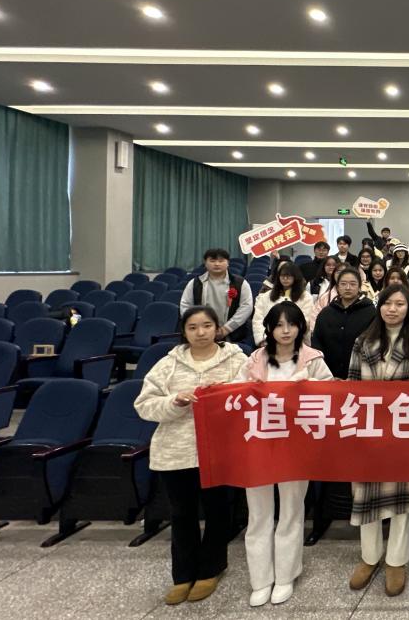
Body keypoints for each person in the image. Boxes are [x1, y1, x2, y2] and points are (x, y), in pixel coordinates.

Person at [134, 306, 248, 605]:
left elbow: (250, 397)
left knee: (218, 512)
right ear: (184, 332)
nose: (201, 332)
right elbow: (144, 405)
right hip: (176, 451)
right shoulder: (168, 364)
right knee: (182, 514)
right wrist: (175, 402)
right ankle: (183, 574)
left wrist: (223, 394)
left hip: (220, 451)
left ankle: (211, 569)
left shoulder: (237, 360)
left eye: (207, 326)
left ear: (217, 328)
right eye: (193, 327)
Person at [237, 302, 333, 607]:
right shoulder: (255, 359)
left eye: (291, 324)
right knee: (258, 513)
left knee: (291, 511)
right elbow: (234, 397)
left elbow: (331, 395)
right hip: (258, 444)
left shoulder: (313, 359)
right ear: (269, 328)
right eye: (278, 325)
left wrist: (308, 386)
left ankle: (286, 575)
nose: (286, 330)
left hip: (295, 446)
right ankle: (260, 579)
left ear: (301, 327)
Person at [347, 285, 409, 598]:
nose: (393, 309)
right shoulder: (363, 341)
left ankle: (396, 561)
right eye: (388, 303)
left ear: (408, 308)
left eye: (400, 304)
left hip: (403, 429)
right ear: (379, 306)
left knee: (402, 502)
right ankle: (369, 557)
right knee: (366, 497)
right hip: (369, 430)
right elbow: (352, 387)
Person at [311, 267, 376, 378]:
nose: (348, 287)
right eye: (343, 284)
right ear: (337, 287)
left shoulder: (370, 312)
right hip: (329, 376)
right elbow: (317, 344)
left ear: (359, 287)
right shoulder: (326, 313)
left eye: (353, 284)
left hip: (361, 375)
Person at [180, 248, 253, 343]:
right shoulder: (195, 283)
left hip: (233, 335)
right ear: (205, 263)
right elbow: (185, 305)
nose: (217, 264)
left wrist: (226, 329)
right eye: (212, 261)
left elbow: (246, 307)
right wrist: (197, 325)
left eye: (221, 261)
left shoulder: (240, 283)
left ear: (228, 263)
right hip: (202, 333)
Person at [252, 261, 318, 346]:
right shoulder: (266, 296)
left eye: (289, 276)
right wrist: (264, 339)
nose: (285, 278)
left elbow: (306, 321)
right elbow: (258, 319)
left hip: (296, 343)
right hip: (268, 342)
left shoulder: (305, 297)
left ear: (295, 277)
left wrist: (288, 339)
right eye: (282, 276)